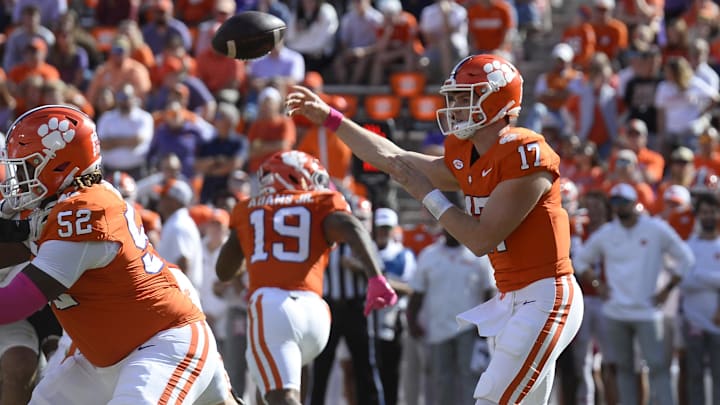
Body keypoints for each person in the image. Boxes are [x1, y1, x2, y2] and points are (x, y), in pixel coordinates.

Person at [286, 53, 584, 405]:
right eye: (454, 97)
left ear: (498, 99)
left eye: (465, 96)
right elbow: (390, 158)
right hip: (512, 297)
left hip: (545, 296)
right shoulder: (466, 155)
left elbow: (480, 238)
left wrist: (426, 194)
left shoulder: (525, 152)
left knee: (492, 400)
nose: (456, 106)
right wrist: (333, 119)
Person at [0, 105, 236, 405]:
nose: (19, 177)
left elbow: (12, 303)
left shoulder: (84, 214)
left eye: (28, 165)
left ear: (59, 164)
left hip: (161, 344)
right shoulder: (64, 204)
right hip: (103, 358)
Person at [215, 150, 397, 405]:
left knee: (280, 396)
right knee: (268, 390)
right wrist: (375, 277)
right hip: (317, 314)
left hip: (273, 306)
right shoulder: (320, 202)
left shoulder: (248, 208)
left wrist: (255, 249)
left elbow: (224, 271)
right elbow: (352, 226)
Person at [573, 183, 694, 405]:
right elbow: (581, 261)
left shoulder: (655, 229)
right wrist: (598, 285)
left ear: (634, 202)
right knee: (624, 370)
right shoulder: (607, 233)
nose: (619, 207)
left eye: (623, 202)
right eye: (615, 203)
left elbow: (686, 258)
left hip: (648, 311)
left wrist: (666, 290)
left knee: (658, 368)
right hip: (616, 311)